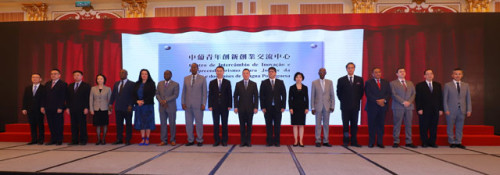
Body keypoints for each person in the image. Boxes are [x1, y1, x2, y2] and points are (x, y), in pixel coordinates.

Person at [337, 62, 364, 147]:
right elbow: (339, 93)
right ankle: (345, 141)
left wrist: (355, 100)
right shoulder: (341, 80)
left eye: (352, 67)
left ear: (354, 69)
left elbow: (361, 93)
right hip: (345, 106)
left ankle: (354, 141)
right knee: (345, 124)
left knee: (354, 124)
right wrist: (345, 101)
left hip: (355, 106)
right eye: (348, 68)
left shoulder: (359, 79)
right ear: (346, 69)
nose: (350, 69)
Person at [443, 68, 472, 149]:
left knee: (460, 126)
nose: (457, 75)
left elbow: (468, 98)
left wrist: (469, 109)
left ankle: (458, 141)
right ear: (452, 75)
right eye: (456, 74)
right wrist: (446, 109)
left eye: (459, 74)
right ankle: (451, 141)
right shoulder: (447, 85)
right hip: (451, 110)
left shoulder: (466, 85)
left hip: (462, 110)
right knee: (450, 126)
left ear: (462, 75)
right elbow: (445, 99)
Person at [415, 69, 443, 148]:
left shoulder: (438, 85)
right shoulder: (420, 85)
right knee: (424, 126)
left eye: (431, 74)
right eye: (427, 74)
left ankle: (432, 142)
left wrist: (441, 109)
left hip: (435, 109)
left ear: (433, 75)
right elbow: (418, 98)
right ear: (424, 76)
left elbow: (440, 98)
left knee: (433, 126)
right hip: (424, 110)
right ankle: (424, 142)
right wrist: (419, 108)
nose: (429, 75)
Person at [390, 67, 417, 148]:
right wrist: (403, 102)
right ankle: (396, 141)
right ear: (397, 74)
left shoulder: (410, 83)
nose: (402, 73)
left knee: (408, 124)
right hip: (398, 106)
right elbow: (393, 94)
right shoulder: (393, 83)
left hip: (409, 106)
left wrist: (409, 101)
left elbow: (414, 94)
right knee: (397, 124)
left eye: (404, 71)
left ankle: (409, 141)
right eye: (400, 72)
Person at [182, 63, 207, 146]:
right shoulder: (186, 78)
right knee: (188, 124)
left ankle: (200, 140)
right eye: (192, 67)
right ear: (190, 69)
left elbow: (204, 92)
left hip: (198, 105)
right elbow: (184, 92)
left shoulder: (202, 79)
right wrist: (183, 102)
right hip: (188, 105)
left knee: (199, 123)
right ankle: (190, 140)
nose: (193, 69)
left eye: (195, 67)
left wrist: (203, 103)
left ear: (197, 68)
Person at [365, 67, 391, 148]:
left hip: (382, 107)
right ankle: (371, 142)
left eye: (379, 72)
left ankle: (380, 142)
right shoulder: (368, 82)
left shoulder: (386, 82)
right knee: (372, 125)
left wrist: (384, 100)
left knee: (381, 125)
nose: (378, 74)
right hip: (372, 107)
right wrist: (378, 101)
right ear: (372, 74)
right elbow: (368, 94)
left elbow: (389, 93)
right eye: (376, 72)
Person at [260, 67, 286, 147]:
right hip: (267, 108)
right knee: (268, 125)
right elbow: (261, 96)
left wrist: (283, 106)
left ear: (275, 73)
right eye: (269, 72)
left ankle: (277, 141)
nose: (270, 73)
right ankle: (269, 141)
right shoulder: (264, 82)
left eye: (272, 71)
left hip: (278, 108)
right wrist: (263, 107)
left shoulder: (280, 82)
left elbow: (284, 95)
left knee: (277, 125)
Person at [41, 68, 67, 145]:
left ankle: (59, 140)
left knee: (58, 124)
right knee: (51, 124)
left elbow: (63, 97)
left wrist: (60, 107)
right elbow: (44, 96)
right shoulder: (47, 84)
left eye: (55, 74)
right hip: (48, 107)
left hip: (58, 108)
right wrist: (42, 106)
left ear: (59, 75)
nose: (53, 75)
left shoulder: (63, 84)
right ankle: (53, 139)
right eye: (52, 74)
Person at [109, 69, 135, 145]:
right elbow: (113, 95)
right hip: (118, 107)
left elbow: (133, 96)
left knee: (128, 124)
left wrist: (131, 104)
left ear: (127, 74)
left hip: (128, 108)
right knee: (119, 124)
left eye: (123, 73)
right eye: (120, 73)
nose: (121, 74)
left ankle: (128, 140)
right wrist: (110, 103)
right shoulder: (117, 84)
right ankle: (119, 139)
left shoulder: (132, 84)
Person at [234, 69, 258, 147]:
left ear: (249, 74)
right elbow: (235, 96)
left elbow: (256, 97)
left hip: (250, 108)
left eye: (247, 73)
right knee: (242, 126)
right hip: (241, 108)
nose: (245, 74)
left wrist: (256, 107)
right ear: (242, 74)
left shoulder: (253, 84)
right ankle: (242, 141)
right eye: (244, 73)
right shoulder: (238, 84)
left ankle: (248, 141)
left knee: (249, 125)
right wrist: (236, 106)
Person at [208, 66, 232, 147]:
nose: (219, 72)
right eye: (217, 71)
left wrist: (230, 105)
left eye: (220, 71)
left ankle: (224, 141)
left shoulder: (227, 82)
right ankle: (217, 140)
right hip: (215, 106)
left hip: (225, 106)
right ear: (215, 72)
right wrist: (210, 105)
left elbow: (229, 94)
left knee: (225, 124)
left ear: (223, 72)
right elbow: (210, 95)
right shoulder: (212, 82)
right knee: (216, 124)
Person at [311, 68, 335, 147]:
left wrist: (332, 106)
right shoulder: (314, 82)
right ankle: (317, 140)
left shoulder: (329, 82)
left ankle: (326, 140)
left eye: (323, 72)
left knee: (326, 124)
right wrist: (312, 107)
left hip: (327, 106)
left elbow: (332, 95)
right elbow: (312, 96)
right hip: (318, 106)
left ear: (325, 73)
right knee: (318, 124)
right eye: (320, 72)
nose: (322, 73)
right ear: (318, 73)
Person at [66, 70, 91, 145]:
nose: (76, 77)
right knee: (73, 125)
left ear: (81, 76)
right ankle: (74, 140)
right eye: (74, 75)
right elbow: (68, 98)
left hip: (82, 108)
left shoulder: (86, 86)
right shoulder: (70, 86)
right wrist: (67, 107)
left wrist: (87, 107)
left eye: (78, 75)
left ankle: (83, 140)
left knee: (82, 124)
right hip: (72, 108)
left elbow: (88, 97)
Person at [156, 70, 179, 146]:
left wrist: (166, 100)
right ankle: (163, 140)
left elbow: (175, 95)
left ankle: (172, 140)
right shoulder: (160, 83)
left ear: (171, 75)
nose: (166, 75)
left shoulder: (175, 84)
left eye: (168, 74)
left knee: (172, 123)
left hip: (171, 107)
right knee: (163, 124)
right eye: (165, 74)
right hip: (162, 107)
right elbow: (157, 94)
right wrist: (161, 101)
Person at [133, 69, 157, 146]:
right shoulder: (137, 83)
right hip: (139, 106)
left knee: (148, 122)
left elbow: (152, 94)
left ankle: (147, 139)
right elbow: (133, 94)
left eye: (145, 74)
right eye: (142, 74)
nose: (144, 75)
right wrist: (137, 101)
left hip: (148, 106)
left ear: (148, 75)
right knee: (141, 122)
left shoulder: (151, 83)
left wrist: (143, 101)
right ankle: (142, 138)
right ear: (140, 75)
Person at [22, 73, 45, 145]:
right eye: (33, 77)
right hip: (30, 109)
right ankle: (34, 139)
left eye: (36, 77)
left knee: (40, 125)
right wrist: (24, 108)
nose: (34, 78)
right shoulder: (28, 88)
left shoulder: (43, 88)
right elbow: (25, 99)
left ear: (40, 79)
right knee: (32, 125)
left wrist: (43, 106)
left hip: (39, 109)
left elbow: (44, 99)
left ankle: (41, 139)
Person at [89, 74, 112, 145]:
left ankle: (103, 139)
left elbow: (109, 100)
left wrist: (110, 110)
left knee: (105, 124)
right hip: (96, 109)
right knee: (97, 125)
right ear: (96, 80)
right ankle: (98, 139)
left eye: (101, 79)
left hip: (105, 109)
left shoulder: (108, 89)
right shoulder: (93, 88)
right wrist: (91, 109)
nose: (99, 80)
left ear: (104, 80)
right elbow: (91, 99)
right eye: (98, 79)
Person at [289, 72, 309, 147]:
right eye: (297, 77)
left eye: (300, 77)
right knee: (294, 125)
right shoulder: (292, 87)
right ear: (295, 78)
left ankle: (301, 141)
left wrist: (307, 108)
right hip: (294, 108)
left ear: (302, 78)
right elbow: (290, 99)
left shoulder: (305, 87)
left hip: (302, 108)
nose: (298, 78)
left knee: (301, 125)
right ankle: (295, 141)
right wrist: (290, 108)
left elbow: (306, 98)